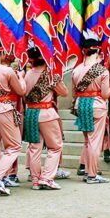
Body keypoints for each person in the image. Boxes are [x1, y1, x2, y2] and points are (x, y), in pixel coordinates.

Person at [0, 36, 26, 195]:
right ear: (1, 52)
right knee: (14, 145)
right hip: (4, 107)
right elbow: (21, 91)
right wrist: (21, 77)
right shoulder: (7, 71)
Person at [23, 46, 68, 191]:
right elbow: (64, 92)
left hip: (31, 113)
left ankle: (35, 180)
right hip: (46, 113)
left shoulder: (27, 74)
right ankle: (47, 178)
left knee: (34, 148)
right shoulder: (50, 75)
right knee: (55, 147)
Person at [71, 33, 110, 184]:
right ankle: (92, 175)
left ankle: (89, 171)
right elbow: (106, 94)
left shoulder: (76, 70)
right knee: (95, 142)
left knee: (88, 140)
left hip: (81, 105)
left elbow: (74, 92)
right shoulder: (102, 70)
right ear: (98, 50)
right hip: (97, 105)